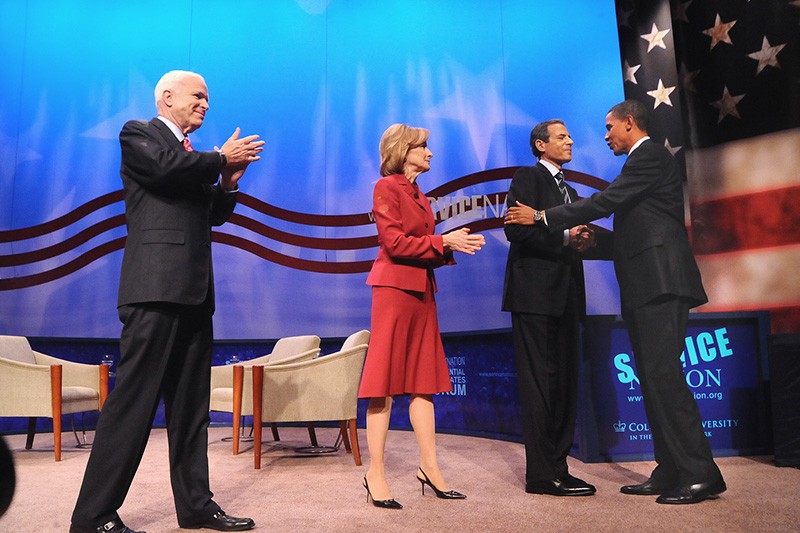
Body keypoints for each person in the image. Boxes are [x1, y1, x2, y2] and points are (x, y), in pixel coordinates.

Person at [70, 70, 264, 533]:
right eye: (198, 96)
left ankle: (196, 505)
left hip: (196, 293)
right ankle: (92, 516)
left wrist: (230, 182)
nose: (205, 104)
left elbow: (211, 213)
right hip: (155, 290)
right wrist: (220, 159)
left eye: (208, 98)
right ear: (167, 97)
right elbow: (164, 169)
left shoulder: (196, 157)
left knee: (191, 407)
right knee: (133, 403)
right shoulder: (140, 134)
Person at [505, 99, 726, 505]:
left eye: (609, 128)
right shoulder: (637, 163)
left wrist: (540, 218)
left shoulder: (650, 157)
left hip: (661, 284)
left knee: (665, 378)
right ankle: (670, 467)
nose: (604, 136)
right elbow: (632, 235)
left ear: (629, 123)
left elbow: (605, 203)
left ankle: (700, 472)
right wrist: (592, 240)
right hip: (646, 286)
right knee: (654, 379)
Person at [358, 123, 485, 509]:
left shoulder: (418, 193)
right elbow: (394, 244)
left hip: (422, 292)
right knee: (383, 382)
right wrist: (443, 241)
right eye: (423, 146)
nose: (430, 153)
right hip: (394, 291)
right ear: (402, 149)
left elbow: (421, 246)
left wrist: (449, 248)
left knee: (422, 382)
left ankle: (429, 467)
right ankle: (375, 472)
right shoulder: (386, 188)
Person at [502, 119, 607, 497]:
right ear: (540, 145)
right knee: (540, 386)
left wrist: (582, 238)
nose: (571, 141)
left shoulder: (572, 190)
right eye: (562, 137)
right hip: (534, 296)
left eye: (569, 135)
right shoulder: (527, 178)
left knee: (564, 385)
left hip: (567, 297)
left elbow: (570, 238)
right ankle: (541, 474)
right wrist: (564, 234)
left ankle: (559, 467)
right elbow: (516, 229)